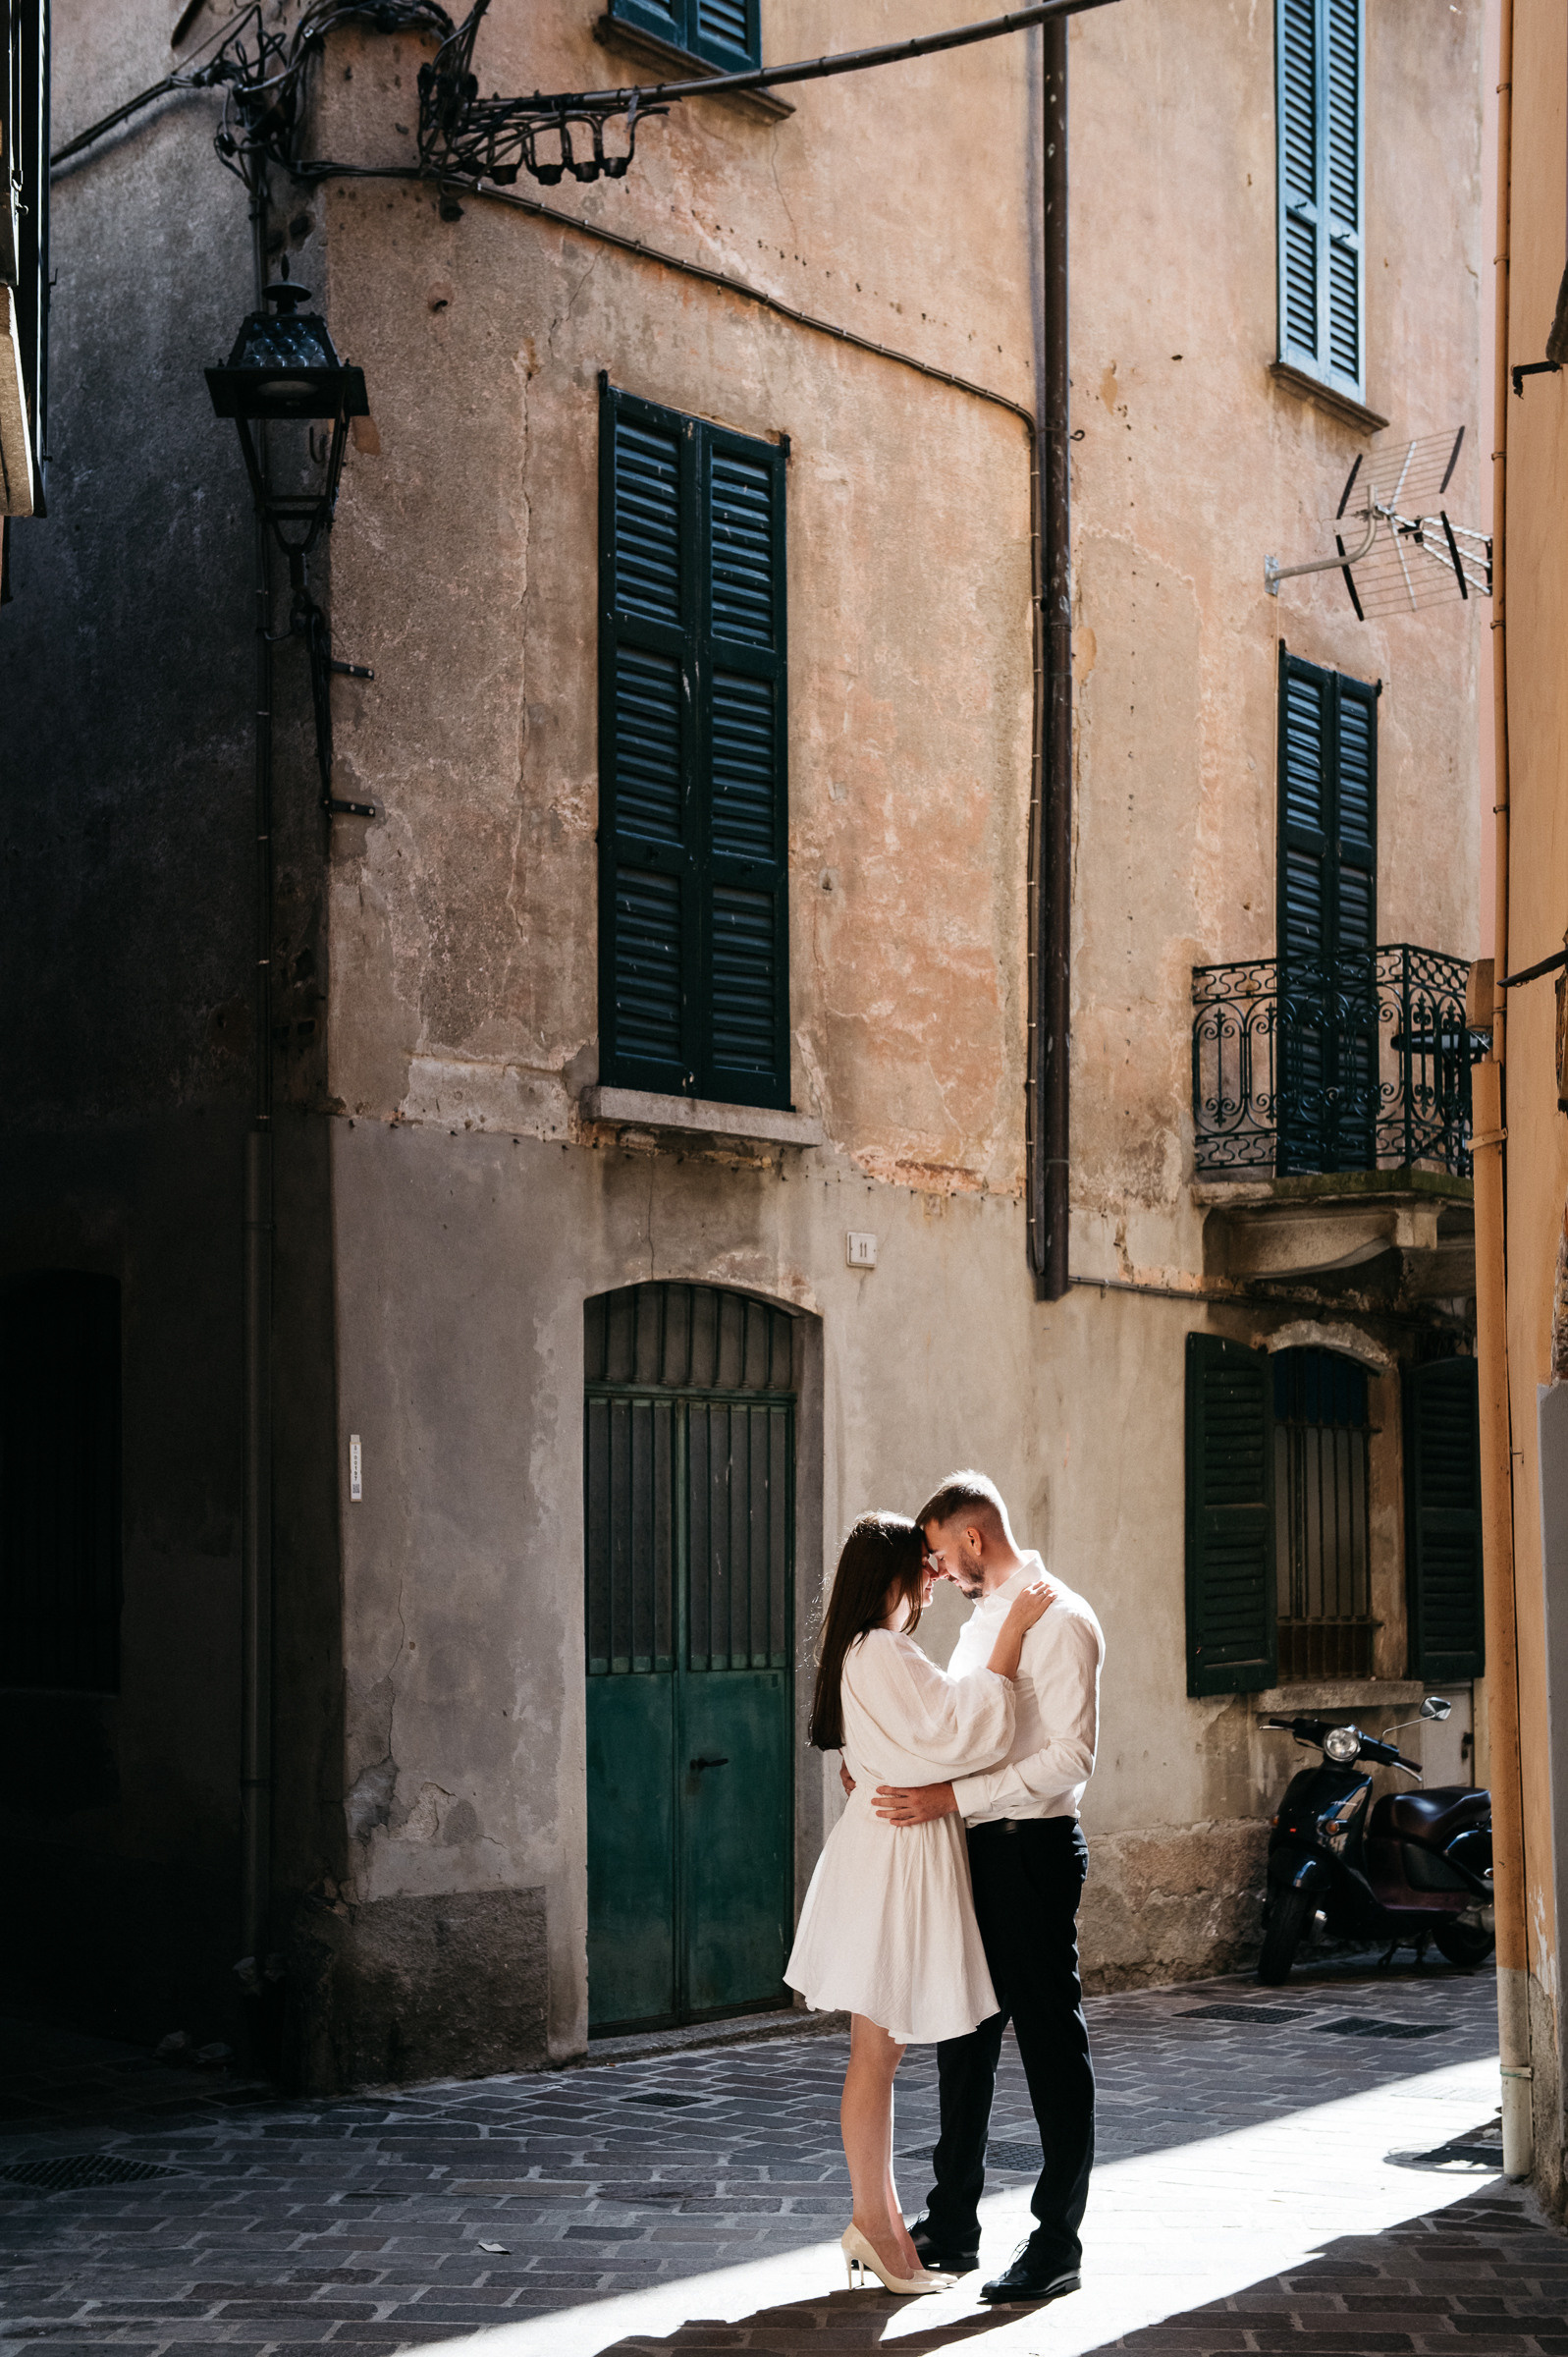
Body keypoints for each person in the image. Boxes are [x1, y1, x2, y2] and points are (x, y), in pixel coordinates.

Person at [784, 1511, 1054, 2298]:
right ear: (892, 1576)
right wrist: (1007, 1643)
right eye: (924, 1569)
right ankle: (876, 2226)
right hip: (896, 1855)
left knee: (883, 2048)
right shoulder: (881, 1649)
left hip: (893, 1847)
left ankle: (885, 2226)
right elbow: (961, 1733)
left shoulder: (865, 1651)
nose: (934, 1581)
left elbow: (915, 1737)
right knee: (877, 2051)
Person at [871, 1470, 1104, 2310]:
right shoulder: (980, 1625)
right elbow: (965, 1727)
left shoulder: (1063, 1617)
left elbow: (1069, 1759)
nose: (933, 1570)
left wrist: (947, 1799)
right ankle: (953, 2226)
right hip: (967, 1851)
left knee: (1048, 2040)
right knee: (961, 2035)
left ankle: (1056, 2241)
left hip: (1031, 1852)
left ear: (972, 1537)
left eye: (937, 1552)